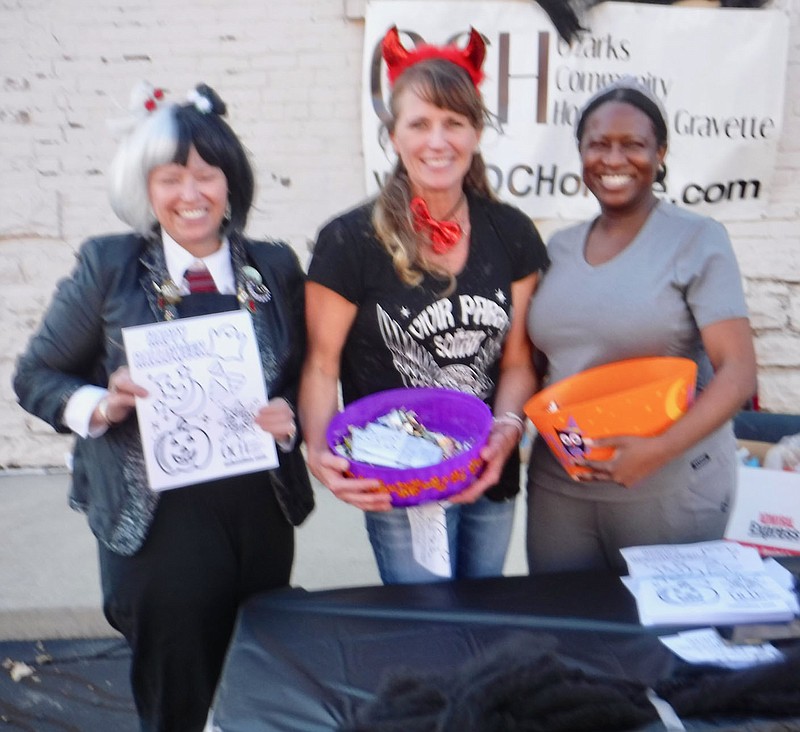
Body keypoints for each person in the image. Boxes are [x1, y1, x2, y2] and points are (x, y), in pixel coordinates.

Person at [13, 82, 314, 732]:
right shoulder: (109, 267)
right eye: (170, 178)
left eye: (206, 175)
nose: (191, 194)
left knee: (258, 683)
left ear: (230, 182)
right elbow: (36, 377)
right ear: (145, 189)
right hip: (157, 526)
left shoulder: (272, 267)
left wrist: (289, 418)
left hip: (259, 515)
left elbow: (300, 377)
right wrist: (103, 402)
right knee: (177, 696)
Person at [299, 27, 549, 585]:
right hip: (395, 475)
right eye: (419, 124)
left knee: (481, 617)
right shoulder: (348, 241)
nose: (438, 141)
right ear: (393, 137)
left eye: (454, 123)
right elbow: (321, 364)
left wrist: (507, 430)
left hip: (489, 468)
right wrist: (320, 453)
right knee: (425, 624)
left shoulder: (511, 233)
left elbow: (517, 362)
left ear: (476, 133)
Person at [525, 77, 757, 575]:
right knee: (566, 633)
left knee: (661, 644)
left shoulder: (696, 239)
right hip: (561, 486)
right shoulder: (557, 249)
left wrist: (656, 452)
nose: (613, 159)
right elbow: (538, 365)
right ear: (581, 153)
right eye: (598, 144)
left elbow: (738, 372)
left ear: (661, 153)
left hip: (667, 483)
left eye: (633, 144)